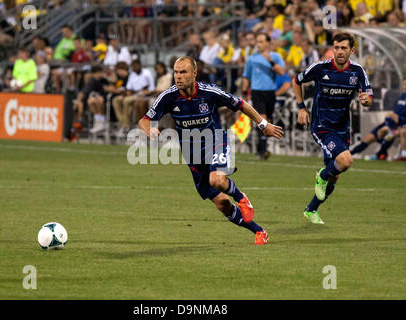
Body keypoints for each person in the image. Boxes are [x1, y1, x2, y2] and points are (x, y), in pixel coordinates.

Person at [138, 56, 284, 245]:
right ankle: (259, 231)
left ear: (194, 73)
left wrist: (263, 124)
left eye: (183, 72)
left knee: (216, 179)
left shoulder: (210, 92)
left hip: (215, 142)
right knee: (222, 204)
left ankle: (241, 198)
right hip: (192, 154)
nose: (178, 76)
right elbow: (144, 120)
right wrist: (149, 129)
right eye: (175, 72)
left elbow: (240, 104)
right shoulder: (168, 96)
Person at [292, 32, 373, 225]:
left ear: (352, 51)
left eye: (344, 48)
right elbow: (296, 81)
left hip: (342, 127)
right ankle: (321, 175)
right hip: (322, 125)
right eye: (336, 47)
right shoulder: (321, 68)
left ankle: (311, 210)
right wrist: (301, 108)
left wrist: (366, 100)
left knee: (335, 175)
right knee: (345, 161)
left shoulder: (358, 71)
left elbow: (368, 97)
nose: (339, 51)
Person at [242, 32, 286, 160]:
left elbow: (282, 72)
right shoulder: (252, 58)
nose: (258, 44)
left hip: (270, 93)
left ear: (268, 43)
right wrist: (245, 92)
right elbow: (246, 76)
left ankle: (261, 148)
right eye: (258, 41)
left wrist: (270, 61)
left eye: (261, 41)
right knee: (262, 119)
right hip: (257, 92)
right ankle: (262, 150)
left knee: (268, 122)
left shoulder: (275, 57)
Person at [351, 78, 406, 160]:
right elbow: (396, 112)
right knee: (368, 138)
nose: (404, 86)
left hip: (399, 126)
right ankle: (350, 153)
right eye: (404, 84)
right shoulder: (402, 96)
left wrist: (398, 119)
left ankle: (380, 154)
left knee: (389, 132)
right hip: (389, 122)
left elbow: (399, 117)